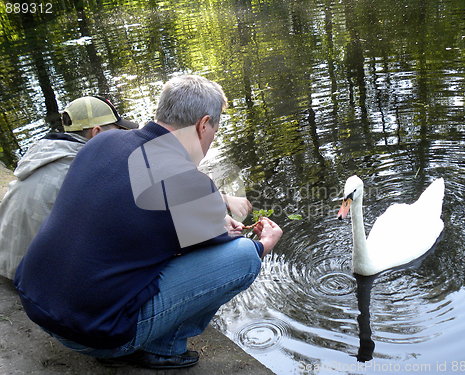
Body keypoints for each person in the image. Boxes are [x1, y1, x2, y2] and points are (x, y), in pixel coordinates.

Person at [14, 75, 283, 369]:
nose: (212, 138)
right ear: (203, 125)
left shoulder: (102, 141)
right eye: (215, 130)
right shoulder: (188, 182)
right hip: (95, 335)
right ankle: (164, 348)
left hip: (36, 302)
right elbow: (221, 255)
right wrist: (263, 245)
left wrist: (214, 220)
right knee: (244, 256)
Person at [0, 96, 138, 280]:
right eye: (118, 129)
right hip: (32, 279)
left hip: (6, 263)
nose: (123, 135)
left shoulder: (44, 154)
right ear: (96, 133)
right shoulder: (85, 172)